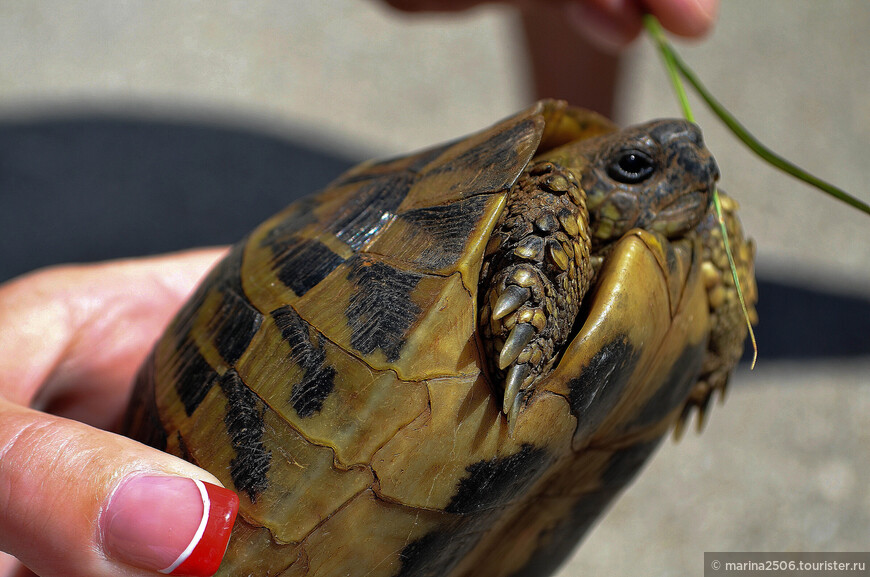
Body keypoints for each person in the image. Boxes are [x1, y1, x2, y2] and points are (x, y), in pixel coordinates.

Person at [0, 1, 717, 575]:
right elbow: (548, 206)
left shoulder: (644, 229)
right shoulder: (551, 210)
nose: (684, 174)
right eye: (634, 167)